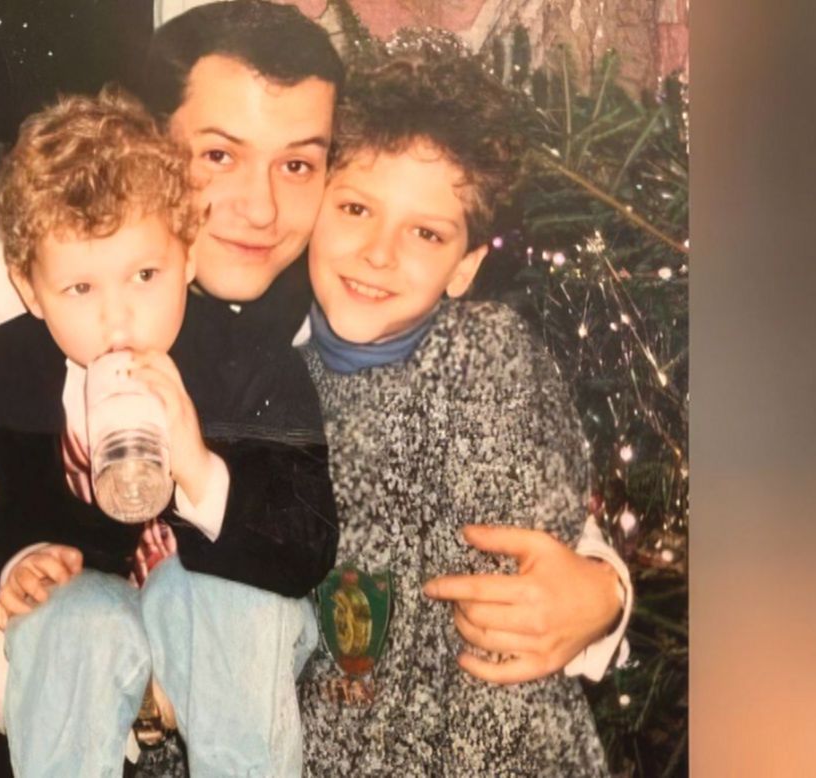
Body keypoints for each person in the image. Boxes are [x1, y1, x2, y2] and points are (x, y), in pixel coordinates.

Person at [0, 1, 628, 773]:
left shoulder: (342, 284)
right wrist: (141, 696)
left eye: (296, 165)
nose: (260, 209)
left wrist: (602, 594)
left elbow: (487, 472)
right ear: (152, 146)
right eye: (220, 155)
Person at [0, 88, 335, 778]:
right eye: (81, 289)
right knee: (65, 619)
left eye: (145, 274)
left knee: (206, 596)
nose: (119, 319)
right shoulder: (12, 366)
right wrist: (24, 559)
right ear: (29, 289)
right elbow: (13, 496)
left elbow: (307, 543)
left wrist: (199, 466)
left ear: (188, 254)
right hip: (112, 615)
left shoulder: (252, 364)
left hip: (239, 614)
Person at [294, 33, 608, 775]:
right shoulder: (260, 374)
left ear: (464, 267)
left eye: (425, 232)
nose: (379, 253)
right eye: (356, 208)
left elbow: (502, 626)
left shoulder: (488, 360)